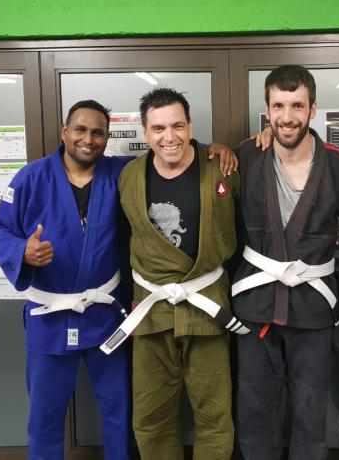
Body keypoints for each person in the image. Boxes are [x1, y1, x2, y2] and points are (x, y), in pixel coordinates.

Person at [0, 99, 235, 460]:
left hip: (106, 316)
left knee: (119, 412)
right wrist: (22, 251)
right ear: (64, 132)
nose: (88, 139)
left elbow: (170, 153)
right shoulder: (32, 178)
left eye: (98, 133)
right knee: (44, 417)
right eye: (80, 130)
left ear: (107, 138)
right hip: (50, 318)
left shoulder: (121, 173)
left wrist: (214, 149)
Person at [101, 87, 244, 460]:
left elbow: (245, 232)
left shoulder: (222, 168)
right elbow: (122, 239)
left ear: (190, 126)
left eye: (177, 126)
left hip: (207, 307)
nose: (170, 137)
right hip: (152, 311)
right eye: (159, 128)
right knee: (150, 418)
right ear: (145, 133)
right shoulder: (129, 176)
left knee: (215, 416)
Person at [231, 65, 339, 460]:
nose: (287, 117)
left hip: (314, 310)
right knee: (254, 414)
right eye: (279, 106)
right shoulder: (244, 158)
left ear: (313, 109)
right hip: (256, 307)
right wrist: (215, 148)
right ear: (267, 110)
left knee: (310, 415)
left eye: (297, 106)